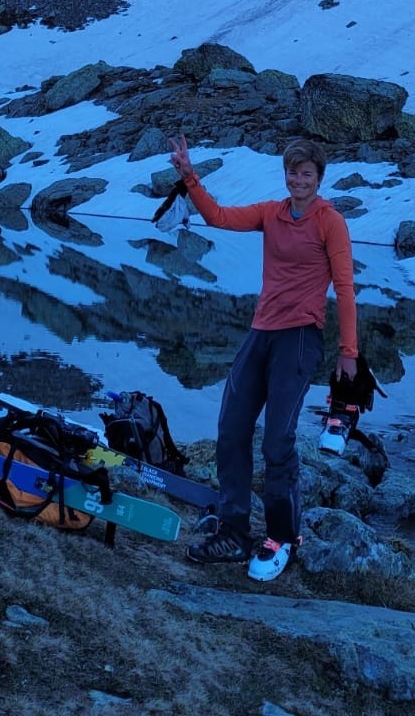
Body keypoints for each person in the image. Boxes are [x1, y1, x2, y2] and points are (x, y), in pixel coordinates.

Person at [168, 132, 357, 582]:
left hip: (298, 339)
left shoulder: (330, 222)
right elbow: (216, 217)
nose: (298, 180)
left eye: (306, 173)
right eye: (292, 172)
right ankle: (233, 530)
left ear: (319, 177)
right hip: (261, 332)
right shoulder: (272, 214)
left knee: (277, 443)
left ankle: (283, 537)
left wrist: (348, 352)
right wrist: (189, 176)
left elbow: (346, 289)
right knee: (231, 428)